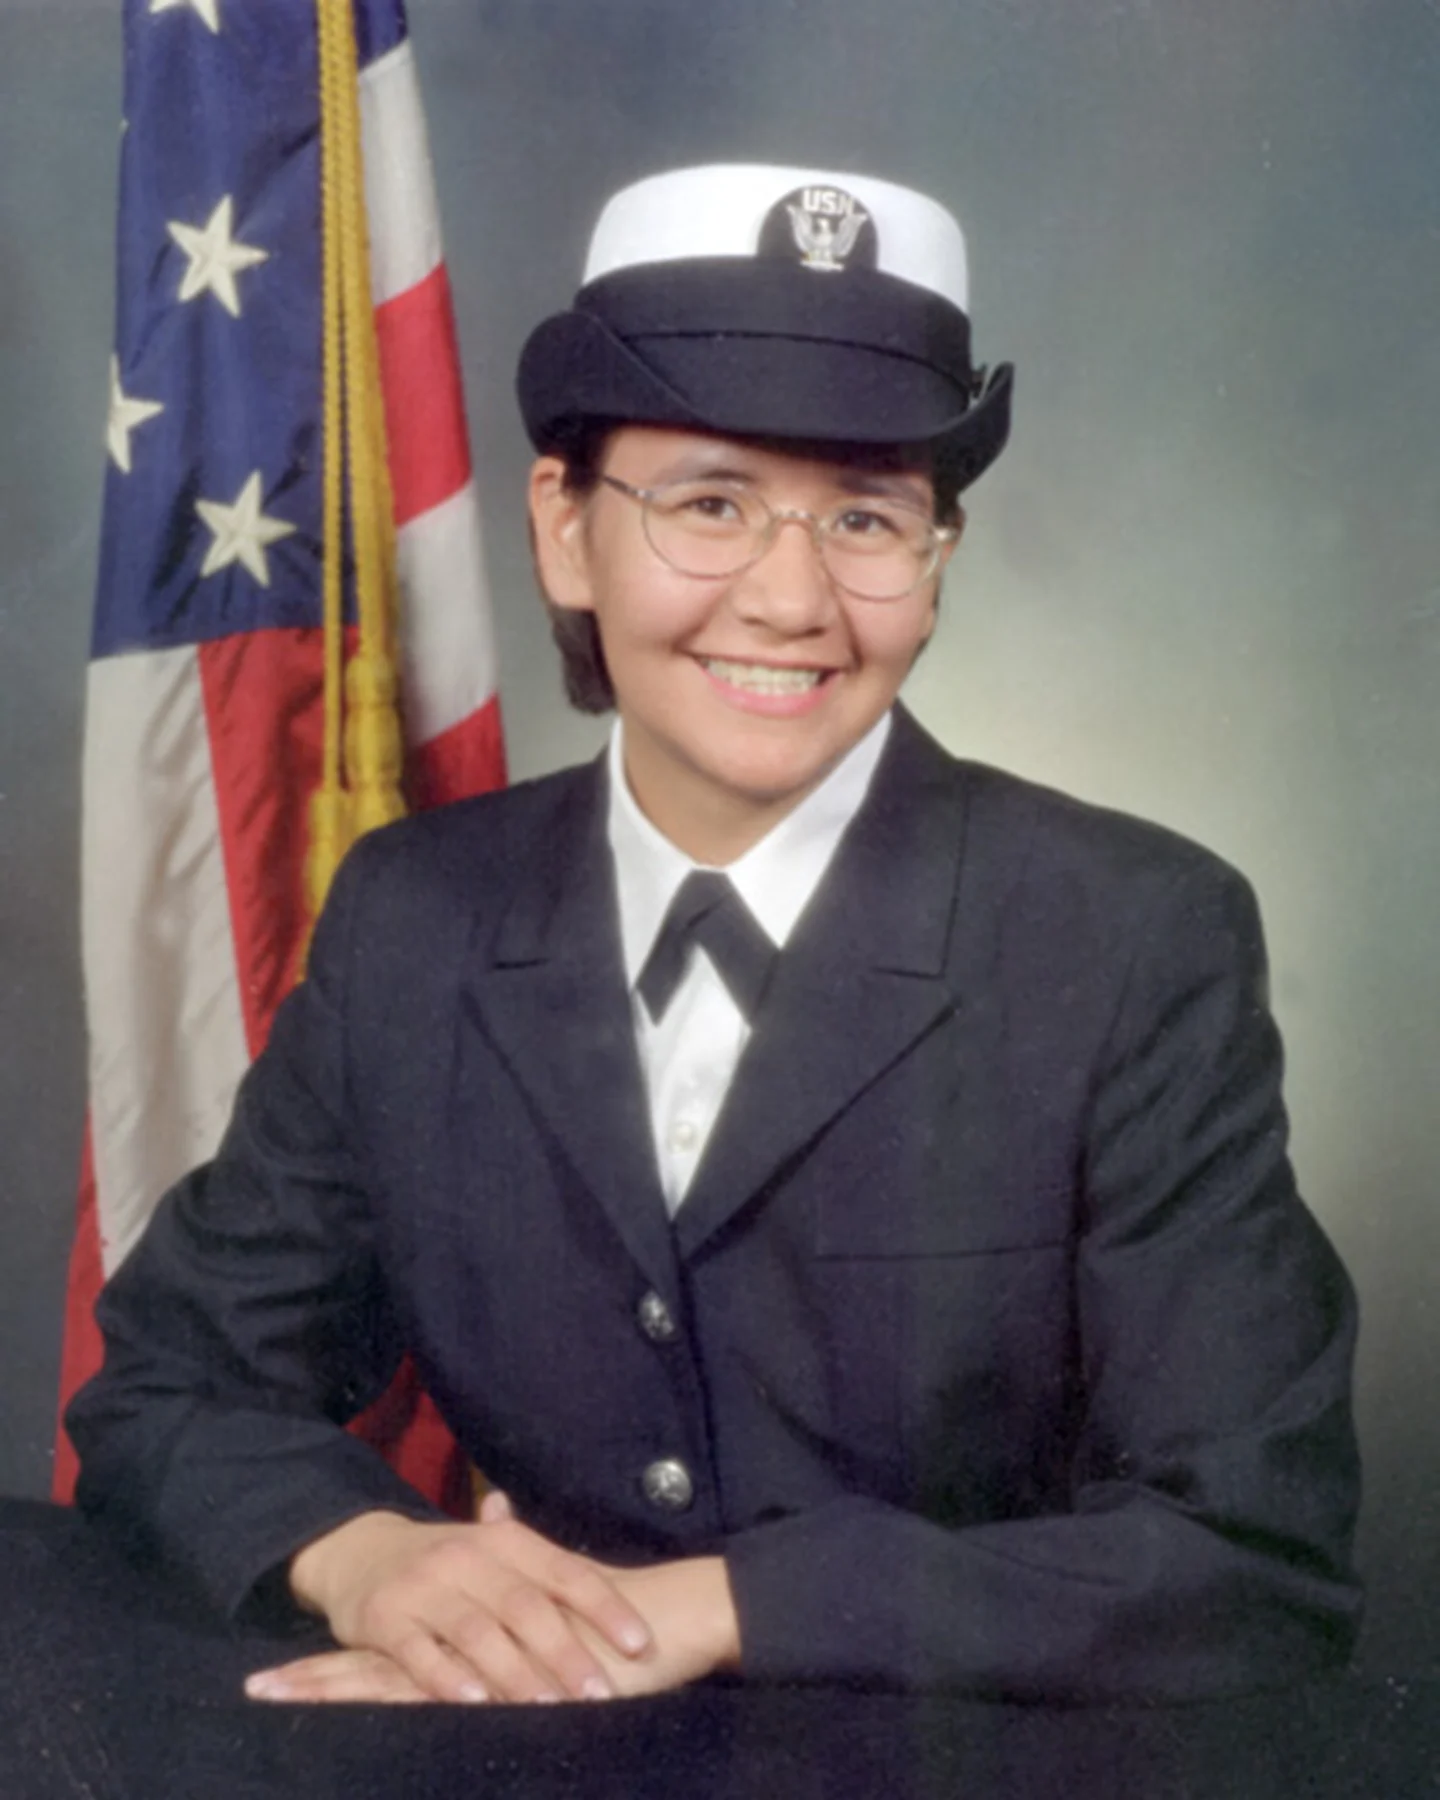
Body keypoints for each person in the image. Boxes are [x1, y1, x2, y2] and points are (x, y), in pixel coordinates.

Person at [68, 163, 1361, 1706]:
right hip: (523, 1759)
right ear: (565, 532)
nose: (792, 599)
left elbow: (1249, 1556)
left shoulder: (1131, 937)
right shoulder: (419, 914)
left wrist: (718, 1609)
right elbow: (167, 1382)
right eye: (711, 504)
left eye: (867, 517)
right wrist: (363, 1557)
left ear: (937, 561)